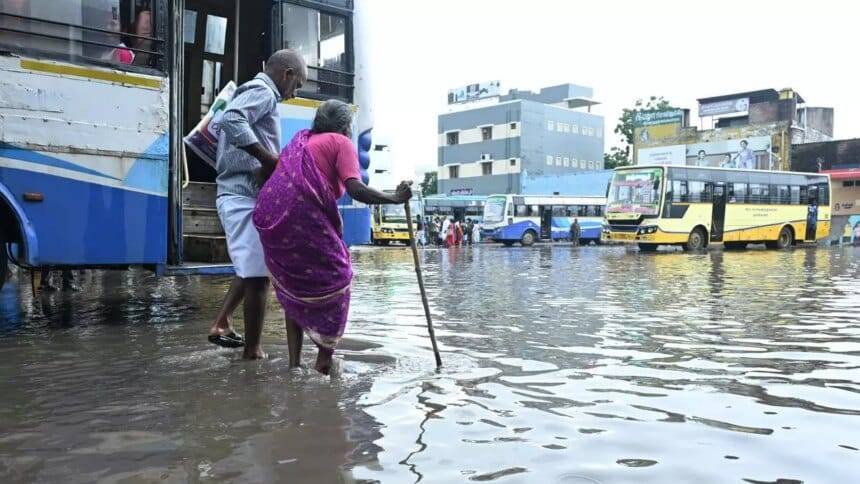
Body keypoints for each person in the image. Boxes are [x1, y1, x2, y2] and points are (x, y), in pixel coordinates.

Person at [253, 99, 412, 375]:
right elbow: (356, 189)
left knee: (294, 286)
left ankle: (295, 366)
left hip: (270, 216)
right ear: (346, 126)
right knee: (340, 278)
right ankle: (324, 360)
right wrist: (395, 198)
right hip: (299, 214)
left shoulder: (301, 142)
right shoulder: (341, 143)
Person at [208, 49, 307, 358]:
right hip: (241, 195)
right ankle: (252, 353)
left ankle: (224, 323)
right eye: (298, 85)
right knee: (257, 279)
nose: (294, 94)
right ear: (287, 74)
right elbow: (231, 120)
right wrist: (269, 159)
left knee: (256, 267)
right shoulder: (263, 92)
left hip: (246, 194)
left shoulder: (256, 92)